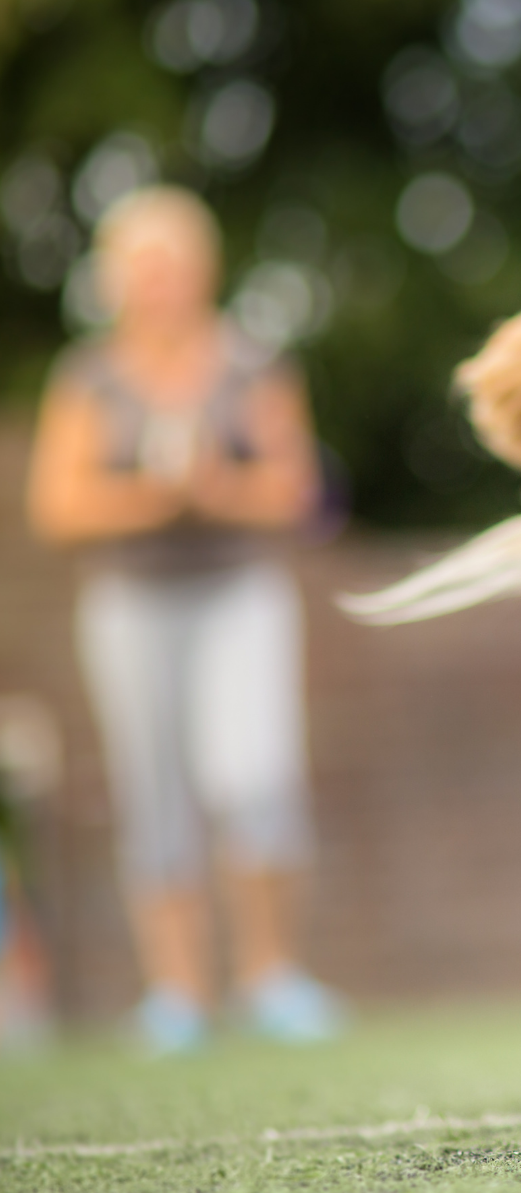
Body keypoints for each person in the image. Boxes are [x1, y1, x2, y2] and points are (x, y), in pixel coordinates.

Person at [24, 186, 342, 1053]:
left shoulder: (251, 364)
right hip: (131, 604)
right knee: (154, 794)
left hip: (240, 594)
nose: (158, 283)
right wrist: (153, 502)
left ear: (202, 271)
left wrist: (216, 493)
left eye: (173, 265)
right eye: (142, 267)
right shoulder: (88, 377)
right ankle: (178, 994)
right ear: (118, 279)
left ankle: (273, 978)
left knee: (258, 778)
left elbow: (295, 491)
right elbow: (58, 505)